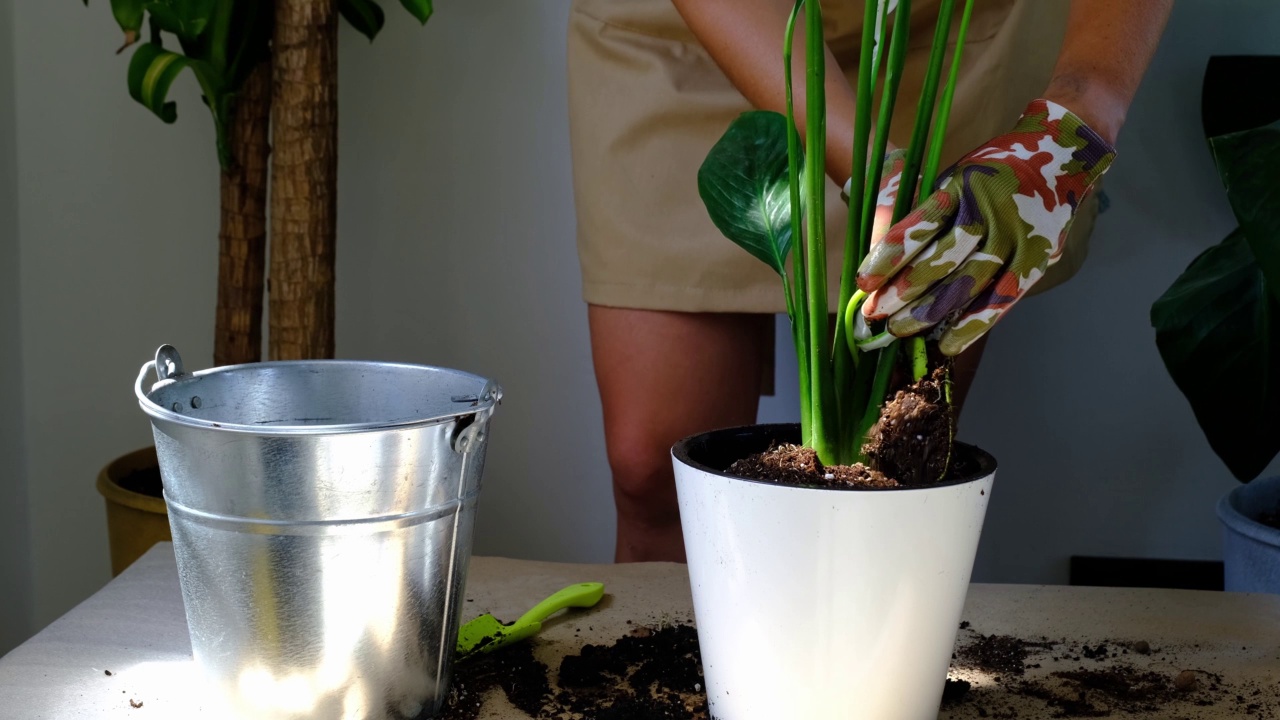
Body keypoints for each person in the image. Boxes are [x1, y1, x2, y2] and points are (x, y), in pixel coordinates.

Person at [566, 0, 1173, 562]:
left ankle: (867, 672)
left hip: (947, 37)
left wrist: (1077, 120)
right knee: (657, 473)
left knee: (893, 467)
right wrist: (872, 167)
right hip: (701, 33)